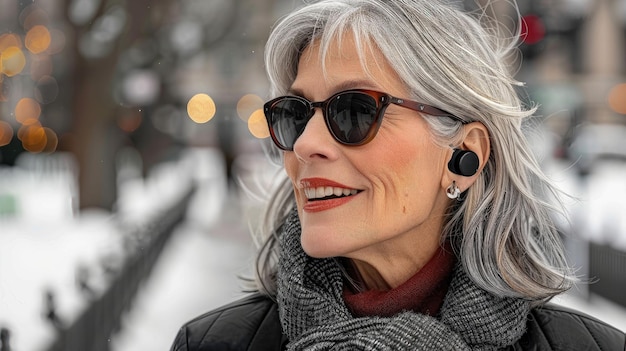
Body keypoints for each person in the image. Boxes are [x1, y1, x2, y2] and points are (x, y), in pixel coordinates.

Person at [171, 0, 626, 350]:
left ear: (464, 154)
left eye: (353, 111)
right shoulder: (215, 343)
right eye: (294, 114)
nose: (306, 144)